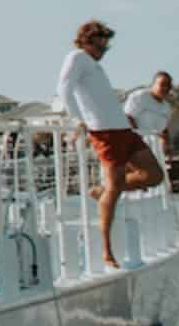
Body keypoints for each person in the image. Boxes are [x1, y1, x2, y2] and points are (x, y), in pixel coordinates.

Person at [57, 20, 162, 268]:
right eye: (100, 45)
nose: (103, 51)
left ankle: (102, 192)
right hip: (104, 132)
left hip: (123, 129)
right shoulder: (77, 57)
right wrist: (78, 120)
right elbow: (64, 89)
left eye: (106, 47)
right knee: (114, 191)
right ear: (87, 41)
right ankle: (106, 250)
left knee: (154, 175)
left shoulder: (93, 65)